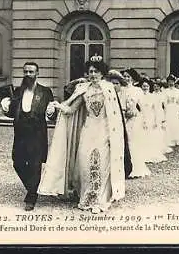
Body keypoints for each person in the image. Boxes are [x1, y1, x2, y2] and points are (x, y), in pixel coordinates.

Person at [38, 55, 127, 214]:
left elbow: (114, 115)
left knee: (101, 165)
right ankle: (87, 197)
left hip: (105, 131)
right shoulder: (83, 89)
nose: (93, 75)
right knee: (85, 165)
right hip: (88, 130)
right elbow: (72, 109)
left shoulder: (109, 88)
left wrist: (112, 136)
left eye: (96, 72)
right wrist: (59, 106)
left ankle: (99, 200)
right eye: (90, 71)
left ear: (102, 73)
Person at [0, 62, 57, 211]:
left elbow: (52, 114)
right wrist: (5, 106)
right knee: (17, 163)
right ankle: (33, 189)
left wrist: (51, 112)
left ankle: (31, 197)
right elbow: (12, 113)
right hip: (20, 133)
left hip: (37, 133)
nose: (28, 75)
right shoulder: (18, 92)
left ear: (37, 73)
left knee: (35, 165)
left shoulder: (45, 92)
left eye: (31, 72)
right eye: (25, 72)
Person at [121, 68, 151, 178]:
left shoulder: (137, 90)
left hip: (135, 119)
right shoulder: (121, 90)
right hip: (123, 118)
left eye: (128, 76)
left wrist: (144, 120)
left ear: (133, 79)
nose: (126, 78)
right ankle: (125, 167)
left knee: (133, 141)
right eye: (124, 76)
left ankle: (136, 167)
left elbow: (142, 107)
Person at [105, 69, 133, 179]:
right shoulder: (105, 95)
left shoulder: (124, 95)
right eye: (112, 83)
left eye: (116, 83)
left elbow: (132, 109)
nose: (114, 85)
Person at [139, 77, 167, 163]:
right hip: (141, 117)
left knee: (150, 135)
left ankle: (150, 153)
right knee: (141, 135)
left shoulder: (152, 97)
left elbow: (155, 110)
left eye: (147, 86)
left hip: (150, 117)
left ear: (149, 87)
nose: (145, 88)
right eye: (143, 86)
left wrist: (155, 121)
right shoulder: (138, 96)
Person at [164, 74, 179, 147]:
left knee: (175, 123)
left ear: (174, 82)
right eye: (169, 81)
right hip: (168, 108)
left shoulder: (178, 91)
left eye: (172, 81)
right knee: (169, 123)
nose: (171, 83)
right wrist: (165, 110)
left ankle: (175, 139)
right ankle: (169, 139)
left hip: (175, 108)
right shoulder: (165, 91)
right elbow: (164, 102)